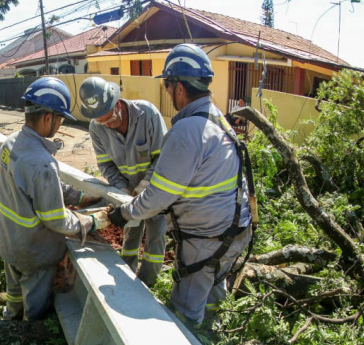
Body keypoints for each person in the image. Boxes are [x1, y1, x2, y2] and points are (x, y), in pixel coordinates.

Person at [105, 44, 254, 326]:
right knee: (212, 295)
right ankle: (215, 344)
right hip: (234, 232)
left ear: (179, 87)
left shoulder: (187, 130)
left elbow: (158, 196)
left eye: (168, 85)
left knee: (185, 312)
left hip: (206, 240)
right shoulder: (217, 118)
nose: (168, 92)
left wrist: (123, 214)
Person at [0, 76, 111, 320]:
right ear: (49, 117)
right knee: (35, 309)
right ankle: (28, 340)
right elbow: (57, 221)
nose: (59, 125)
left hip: (9, 240)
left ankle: (8, 322)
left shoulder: (11, 144)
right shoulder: (42, 163)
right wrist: (91, 222)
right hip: (33, 251)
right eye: (60, 119)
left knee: (14, 292)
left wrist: (79, 196)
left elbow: (38, 186)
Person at [79, 76, 168, 286]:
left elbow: (163, 158)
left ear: (117, 103)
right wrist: (122, 190)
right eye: (102, 122)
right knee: (131, 234)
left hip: (154, 189)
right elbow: (106, 166)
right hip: (126, 192)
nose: (107, 125)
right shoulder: (97, 127)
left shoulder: (147, 114)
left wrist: (144, 186)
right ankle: (127, 277)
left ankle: (149, 283)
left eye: (109, 119)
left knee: (156, 236)